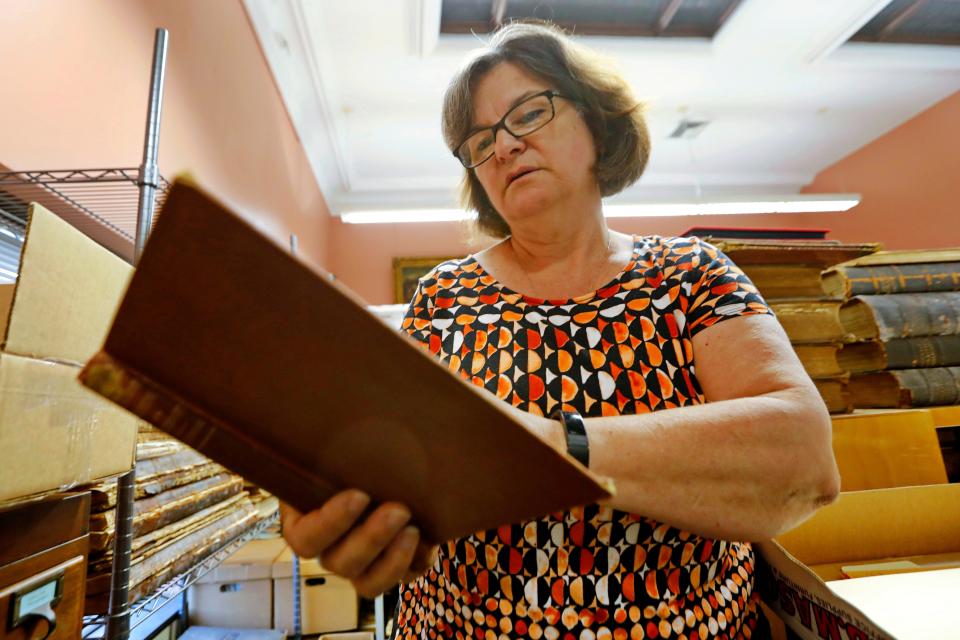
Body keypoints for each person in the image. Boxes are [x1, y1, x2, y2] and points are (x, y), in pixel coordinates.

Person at [282, 21, 840, 639]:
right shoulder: (443, 297)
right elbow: (409, 471)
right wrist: (355, 503)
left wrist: (551, 449)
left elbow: (803, 461)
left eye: (528, 114)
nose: (504, 147)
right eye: (481, 139)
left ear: (598, 124)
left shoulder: (690, 274)